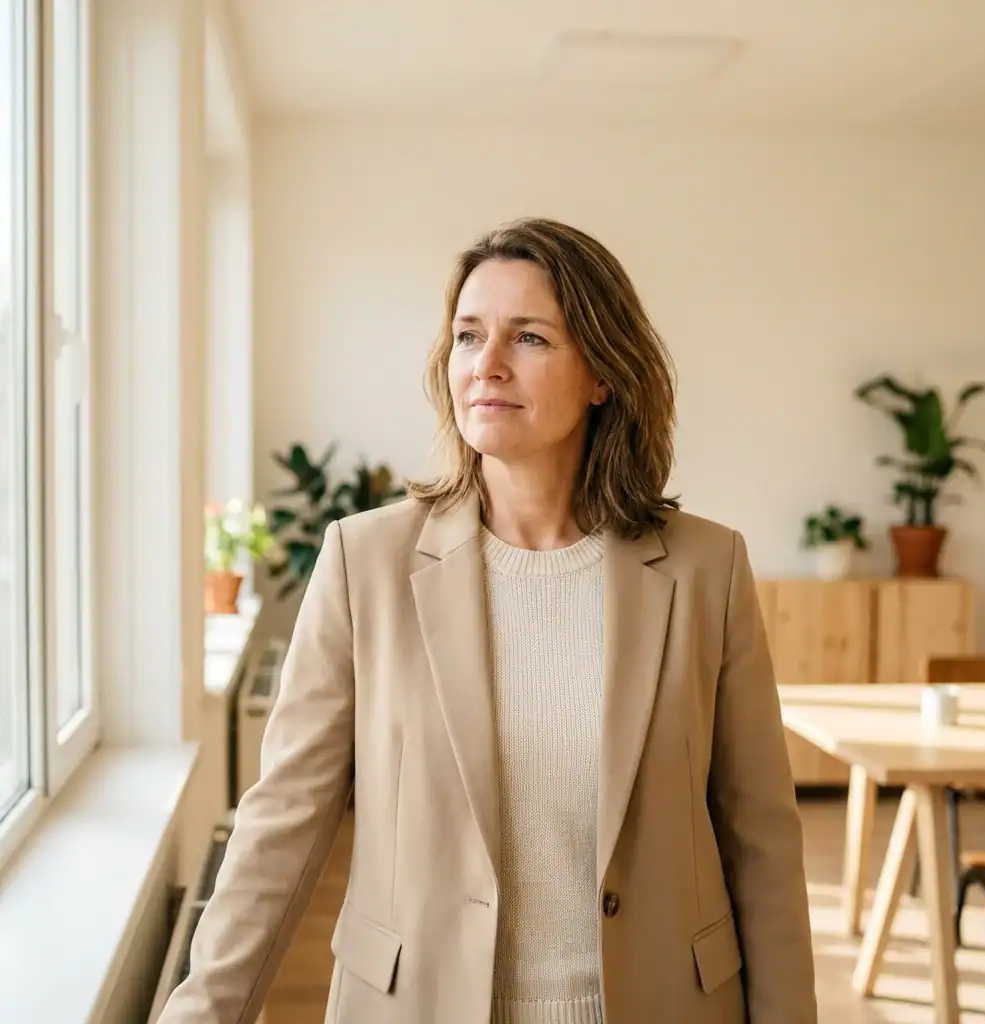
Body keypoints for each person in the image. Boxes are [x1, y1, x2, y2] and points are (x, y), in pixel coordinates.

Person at [157, 217, 817, 1024]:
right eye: (469, 335)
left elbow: (762, 844)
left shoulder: (706, 568)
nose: (487, 365)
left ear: (604, 374)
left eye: (530, 337)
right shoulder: (365, 562)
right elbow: (282, 824)